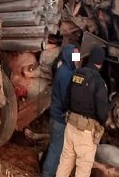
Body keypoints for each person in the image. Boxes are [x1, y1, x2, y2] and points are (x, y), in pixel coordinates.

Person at [56, 46, 110, 177]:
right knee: (83, 170)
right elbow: (102, 112)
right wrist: (101, 122)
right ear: (101, 63)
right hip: (85, 132)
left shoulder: (76, 74)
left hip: (71, 126)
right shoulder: (99, 82)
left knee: (65, 162)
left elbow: (67, 99)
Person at [42, 44, 80, 177]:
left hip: (56, 115)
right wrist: (70, 109)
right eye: (75, 56)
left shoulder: (63, 69)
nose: (78, 60)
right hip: (60, 117)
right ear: (69, 56)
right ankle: (47, 173)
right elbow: (65, 97)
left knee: (55, 146)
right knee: (56, 148)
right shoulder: (66, 74)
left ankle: (46, 167)